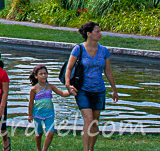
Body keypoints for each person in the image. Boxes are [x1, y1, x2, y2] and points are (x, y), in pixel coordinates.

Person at [65, 21, 118, 151]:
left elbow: (108, 71)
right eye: (97, 31)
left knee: (94, 122)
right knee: (88, 120)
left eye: (100, 31)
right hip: (82, 89)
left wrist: (114, 90)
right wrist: (68, 84)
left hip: (99, 90)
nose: (100, 34)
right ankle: (86, 149)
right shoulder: (79, 49)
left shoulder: (104, 51)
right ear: (89, 34)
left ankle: (91, 148)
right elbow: (69, 68)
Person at [28, 64, 69, 151]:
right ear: (36, 76)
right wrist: (30, 115)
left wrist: (70, 91)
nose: (43, 75)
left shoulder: (51, 86)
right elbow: (31, 103)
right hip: (38, 114)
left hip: (49, 114)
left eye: (45, 73)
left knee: (50, 132)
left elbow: (62, 94)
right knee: (38, 133)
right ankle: (39, 149)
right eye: (41, 74)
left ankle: (44, 150)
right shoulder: (34, 89)